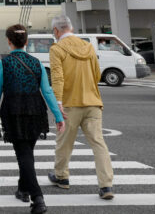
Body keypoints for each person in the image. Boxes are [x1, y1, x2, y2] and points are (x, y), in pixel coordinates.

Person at [0, 24, 64, 214]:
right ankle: (23, 189)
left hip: (14, 110)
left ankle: (37, 198)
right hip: (35, 109)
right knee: (27, 152)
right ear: (26, 42)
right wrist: (57, 115)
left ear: (8, 41)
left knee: (23, 154)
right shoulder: (36, 63)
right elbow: (47, 91)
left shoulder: (4, 63)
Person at [48, 14, 115, 200]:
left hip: (70, 104)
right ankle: (106, 185)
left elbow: (58, 77)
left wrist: (58, 103)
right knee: (98, 143)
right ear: (71, 28)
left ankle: (61, 176)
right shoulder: (88, 47)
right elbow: (97, 74)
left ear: (56, 30)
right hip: (92, 102)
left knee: (64, 142)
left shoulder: (57, 49)